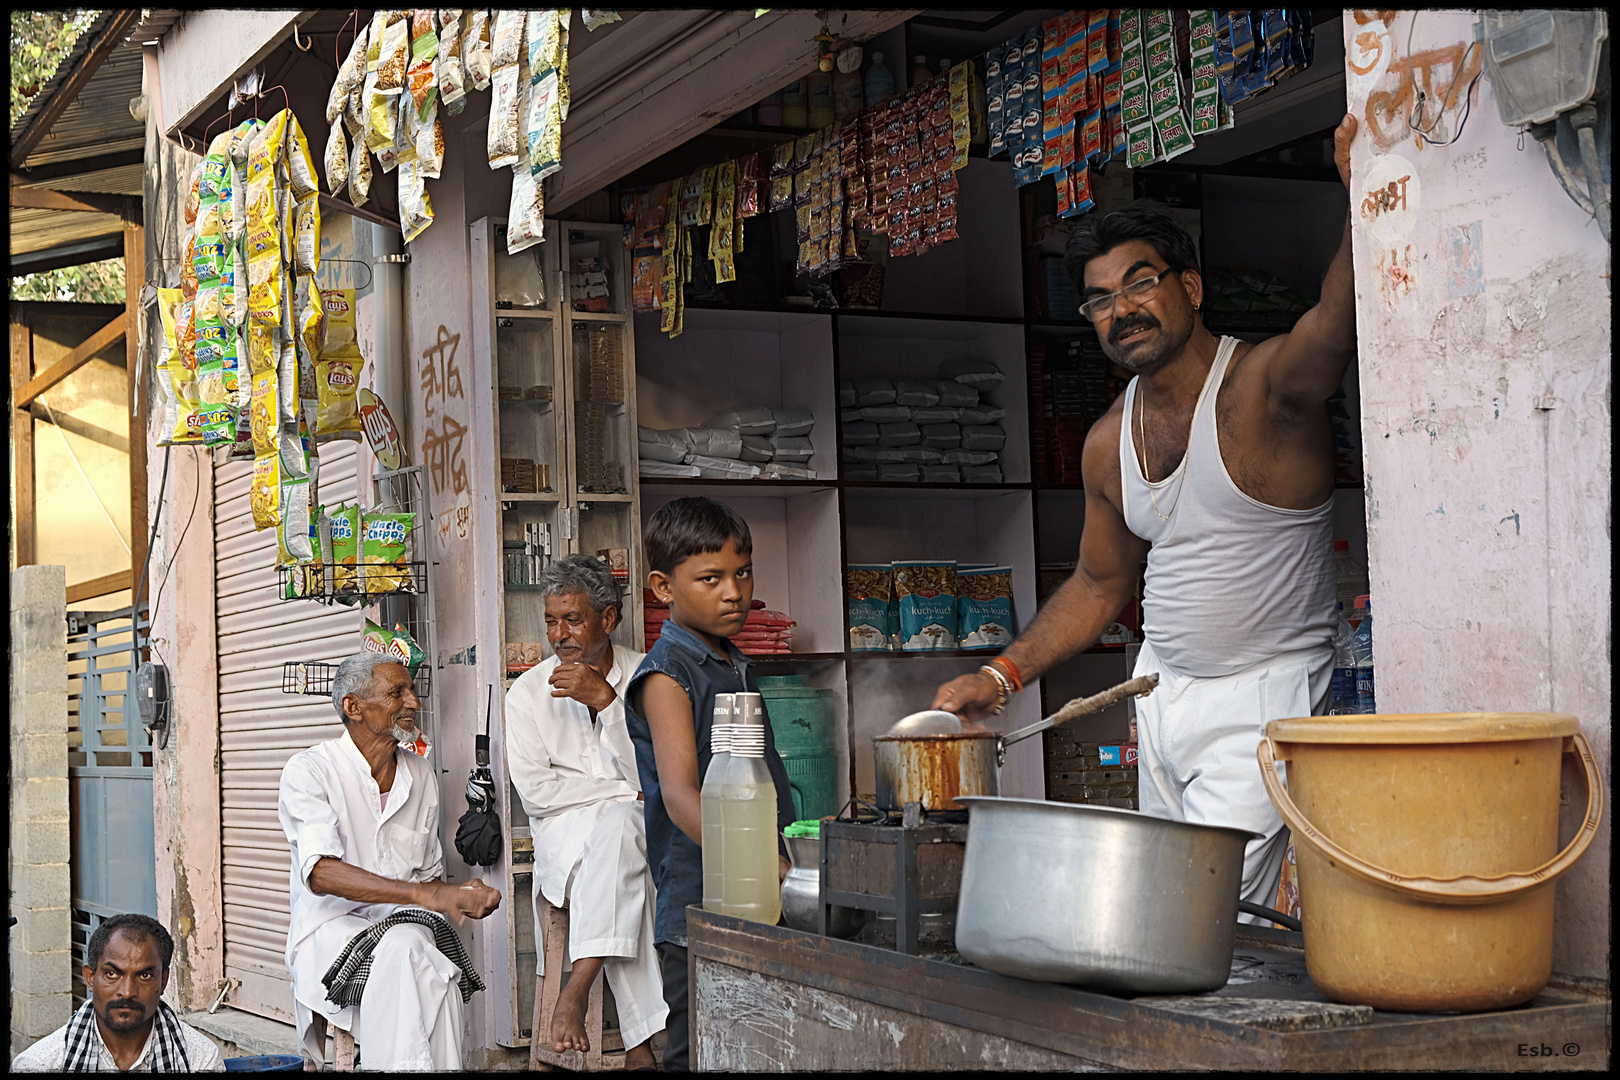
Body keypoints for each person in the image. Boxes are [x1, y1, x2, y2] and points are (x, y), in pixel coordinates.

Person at [933, 114, 1362, 920]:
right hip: (1161, 698)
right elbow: (1099, 583)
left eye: (1140, 283)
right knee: (1171, 927)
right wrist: (1001, 676)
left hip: (1264, 701)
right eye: (1099, 300)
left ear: (1188, 288)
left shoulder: (1264, 389)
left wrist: (1362, 190)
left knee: (1211, 919)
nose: (1121, 310)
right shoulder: (1106, 442)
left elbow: (1334, 323)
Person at [624, 497, 796, 1072]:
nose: (734, 592)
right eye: (710, 578)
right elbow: (680, 799)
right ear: (662, 587)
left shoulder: (732, 661)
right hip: (702, 905)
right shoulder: (669, 673)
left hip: (757, 896)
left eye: (742, 573)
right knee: (698, 1051)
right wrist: (769, 867)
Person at [277, 652, 502, 1070]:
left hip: (404, 935)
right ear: (354, 707)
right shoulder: (309, 771)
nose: (413, 702)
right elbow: (320, 872)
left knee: (426, 967)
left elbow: (429, 880)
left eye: (411, 691)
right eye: (397, 692)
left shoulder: (420, 775)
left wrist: (457, 895)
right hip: (330, 937)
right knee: (417, 962)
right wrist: (423, 894)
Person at [505, 554, 667, 1068]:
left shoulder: (647, 677)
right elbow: (538, 795)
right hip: (565, 839)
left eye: (572, 619)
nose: (559, 634)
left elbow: (659, 780)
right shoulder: (527, 692)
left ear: (609, 618)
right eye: (551, 620)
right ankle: (641, 1046)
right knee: (624, 836)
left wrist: (609, 704)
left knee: (623, 845)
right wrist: (619, 793)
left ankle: (577, 988)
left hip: (639, 836)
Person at [10, 913, 224, 1072]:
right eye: (112, 974)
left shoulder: (200, 1060)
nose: (127, 992)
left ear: (163, 981)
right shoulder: (40, 1064)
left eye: (145, 976)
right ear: (90, 978)